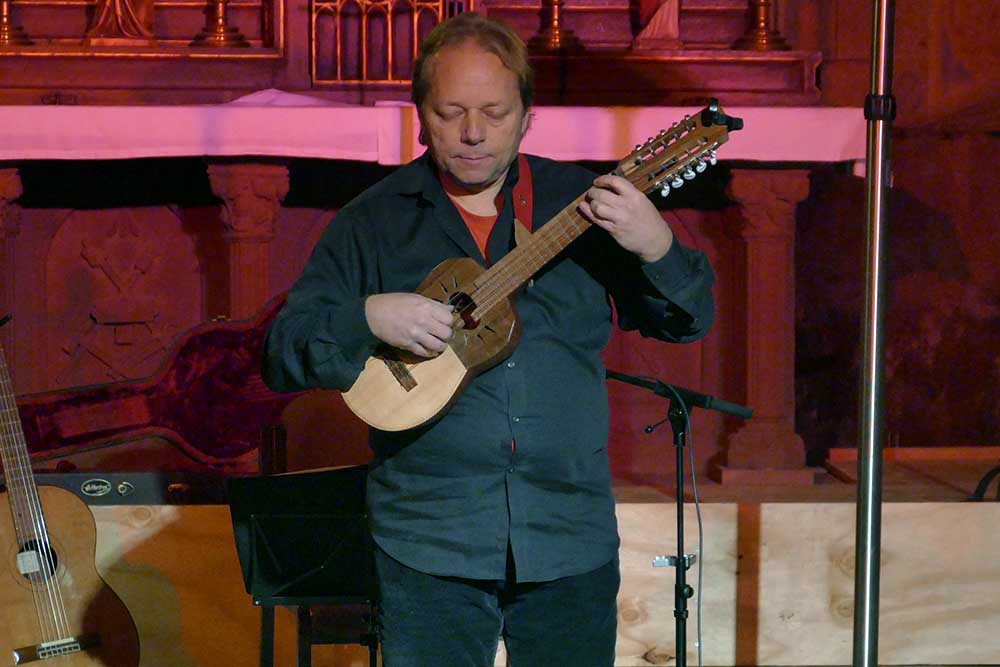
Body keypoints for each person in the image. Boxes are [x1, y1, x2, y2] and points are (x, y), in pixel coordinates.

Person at [262, 11, 714, 667]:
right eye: (451, 113)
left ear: (527, 117)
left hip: (567, 534)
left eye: (495, 113)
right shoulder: (374, 221)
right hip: (428, 539)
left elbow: (687, 321)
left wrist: (657, 244)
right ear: (421, 117)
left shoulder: (587, 204)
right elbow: (283, 350)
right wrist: (368, 317)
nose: (473, 133)